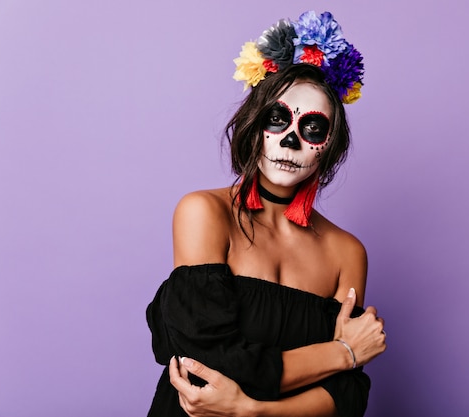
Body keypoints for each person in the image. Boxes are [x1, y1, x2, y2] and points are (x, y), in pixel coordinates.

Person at [146, 11, 386, 417]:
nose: (291, 141)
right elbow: (209, 362)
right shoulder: (204, 213)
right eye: (278, 120)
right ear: (253, 126)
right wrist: (343, 351)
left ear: (329, 145)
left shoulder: (347, 252)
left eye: (312, 128)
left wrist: (251, 411)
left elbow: (346, 397)